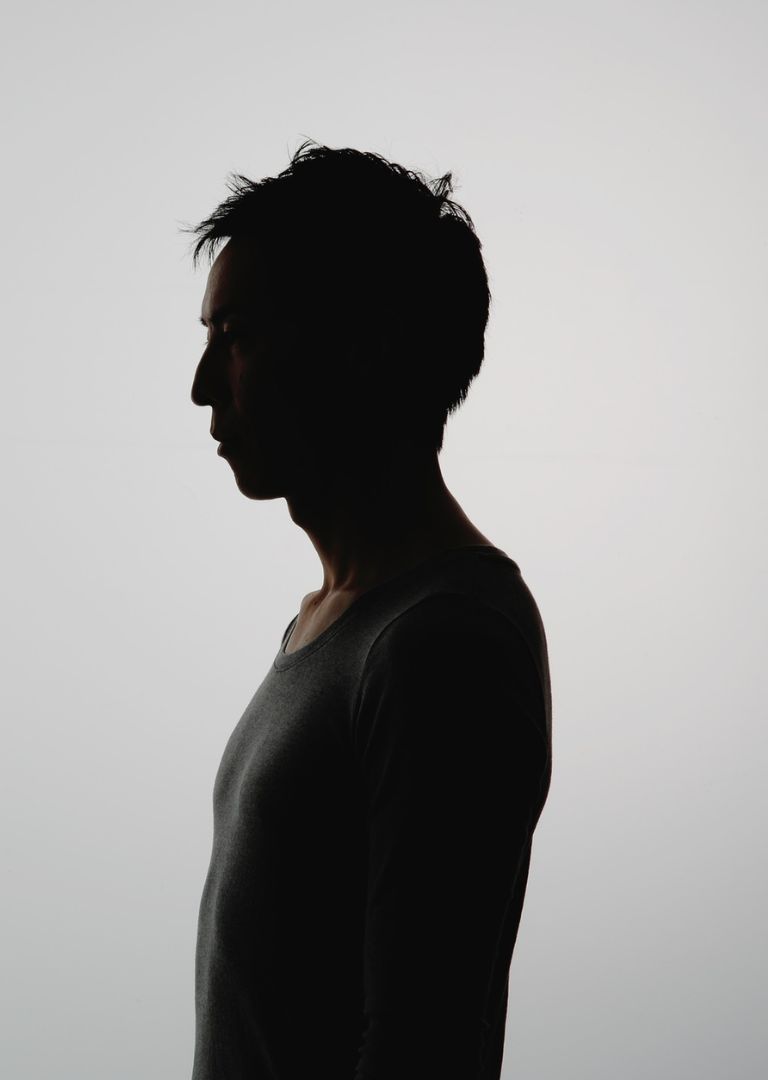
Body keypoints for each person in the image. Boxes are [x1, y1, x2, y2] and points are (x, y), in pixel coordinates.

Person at [186, 145, 551, 1077]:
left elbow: (420, 1047)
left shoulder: (443, 645)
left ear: (360, 343)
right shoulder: (335, 625)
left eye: (237, 336)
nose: (201, 386)